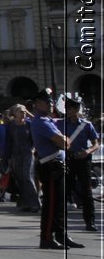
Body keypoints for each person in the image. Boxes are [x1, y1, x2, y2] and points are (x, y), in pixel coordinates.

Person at [29, 95, 81, 250]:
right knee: (51, 205)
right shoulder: (41, 122)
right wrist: (63, 140)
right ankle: (46, 238)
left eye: (51, 103)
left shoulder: (48, 120)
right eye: (47, 103)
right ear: (38, 104)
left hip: (57, 165)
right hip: (51, 167)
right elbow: (64, 142)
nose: (51, 106)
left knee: (59, 204)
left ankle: (61, 235)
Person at [62, 94, 99, 233]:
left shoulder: (86, 125)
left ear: (77, 110)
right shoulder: (61, 123)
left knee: (87, 192)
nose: (68, 111)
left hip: (83, 159)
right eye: (67, 108)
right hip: (68, 159)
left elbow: (96, 144)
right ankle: (61, 222)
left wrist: (88, 151)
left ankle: (90, 222)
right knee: (65, 189)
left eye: (70, 108)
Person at [5, 105, 39, 211]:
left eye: (25, 112)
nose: (23, 113)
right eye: (21, 111)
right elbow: (8, 141)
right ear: (15, 113)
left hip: (28, 153)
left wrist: (33, 149)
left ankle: (35, 203)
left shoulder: (29, 124)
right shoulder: (11, 125)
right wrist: (8, 157)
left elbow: (35, 138)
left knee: (28, 177)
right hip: (15, 154)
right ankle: (24, 203)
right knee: (19, 179)